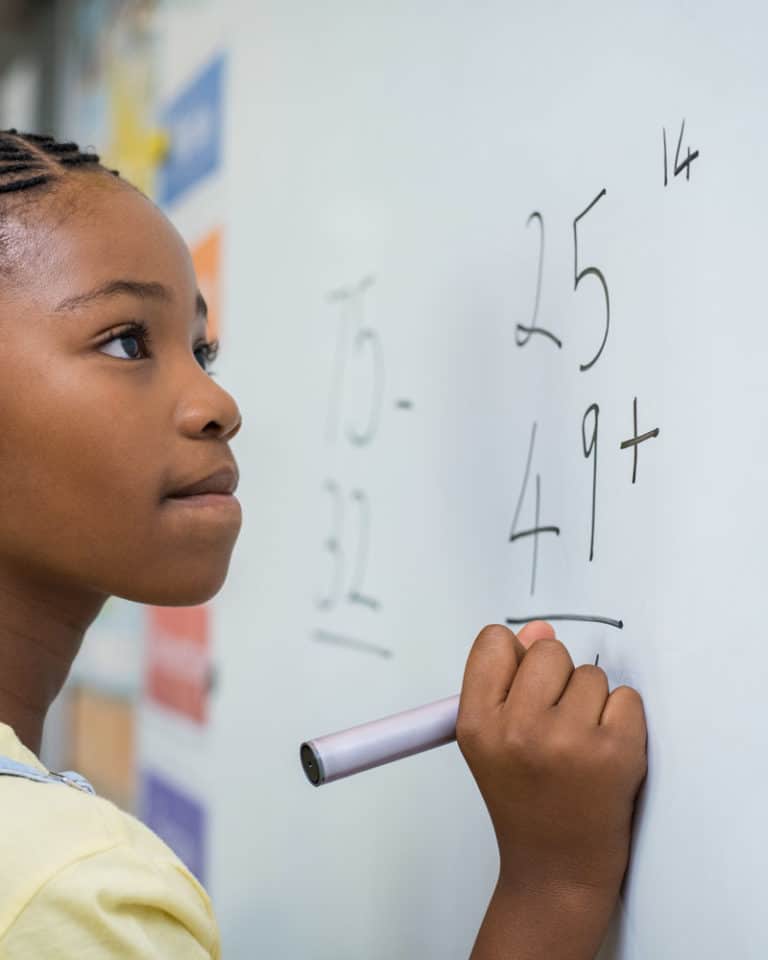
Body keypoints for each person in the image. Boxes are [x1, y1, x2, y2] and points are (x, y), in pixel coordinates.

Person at [0, 128, 646, 959]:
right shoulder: (68, 891)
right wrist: (553, 888)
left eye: (203, 350)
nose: (216, 402)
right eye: (128, 342)